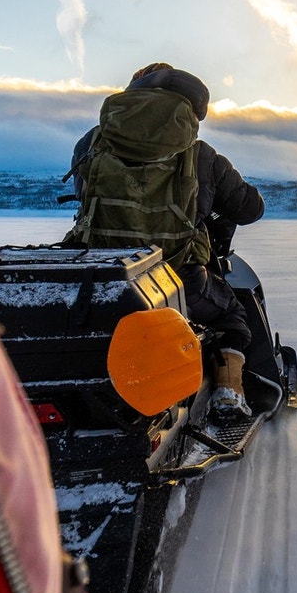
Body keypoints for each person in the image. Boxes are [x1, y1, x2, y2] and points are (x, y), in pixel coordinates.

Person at [65, 63, 265, 419]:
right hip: (175, 281)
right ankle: (228, 393)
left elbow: (84, 194)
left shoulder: (90, 143)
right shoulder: (202, 155)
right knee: (232, 318)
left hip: (100, 278)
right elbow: (249, 209)